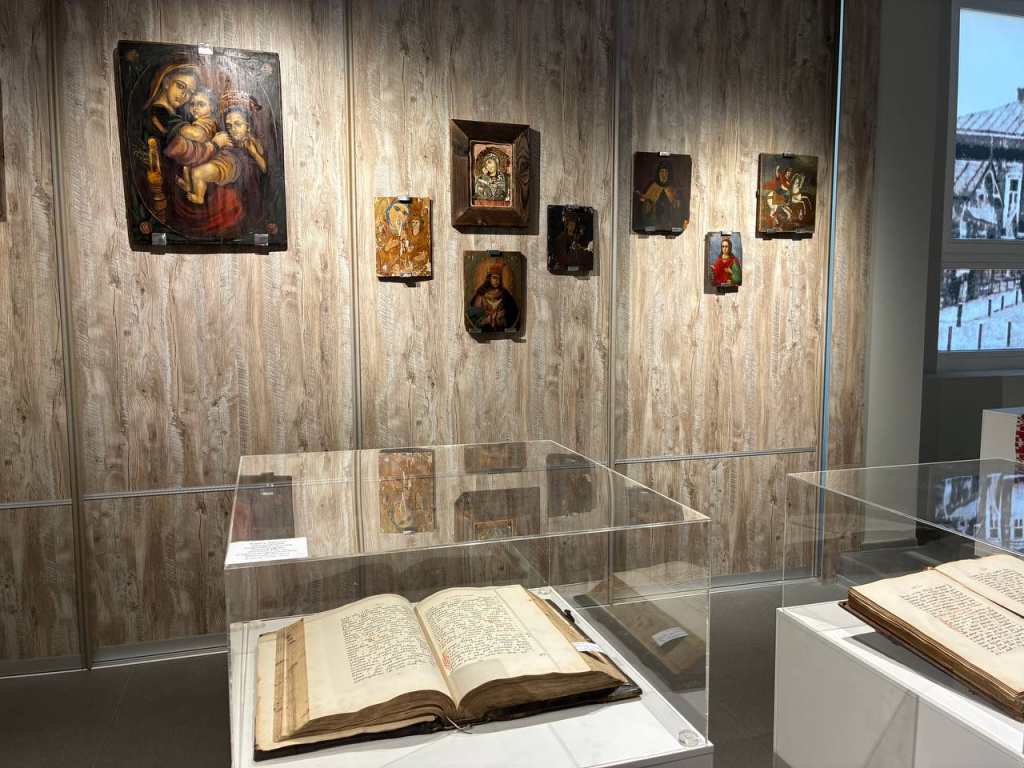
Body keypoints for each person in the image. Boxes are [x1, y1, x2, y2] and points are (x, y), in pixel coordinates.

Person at [182, 105, 267, 205]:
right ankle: (189, 185)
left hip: (228, 168)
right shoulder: (225, 136)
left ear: (247, 127)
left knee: (198, 172)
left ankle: (199, 196)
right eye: (229, 126)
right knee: (188, 166)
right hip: (218, 161)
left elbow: (264, 167)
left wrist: (254, 153)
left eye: (238, 124)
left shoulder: (250, 142)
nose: (233, 129)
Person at [470, 263, 519, 331]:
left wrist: (503, 313)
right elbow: (475, 311)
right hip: (485, 323)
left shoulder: (504, 293)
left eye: (499, 279)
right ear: (489, 278)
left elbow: (512, 310)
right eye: (494, 277)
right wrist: (487, 315)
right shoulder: (482, 292)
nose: (497, 281)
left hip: (500, 324)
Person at [638, 160, 682, 230]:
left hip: (669, 224)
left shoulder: (674, 187)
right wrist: (647, 204)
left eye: (666, 172)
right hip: (654, 224)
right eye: (661, 171)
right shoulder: (652, 187)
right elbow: (642, 206)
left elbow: (679, 210)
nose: (663, 175)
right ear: (658, 173)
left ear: (669, 174)